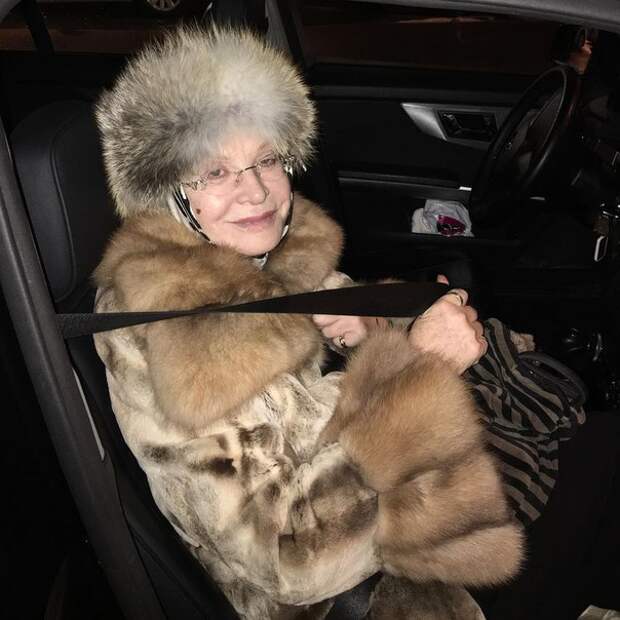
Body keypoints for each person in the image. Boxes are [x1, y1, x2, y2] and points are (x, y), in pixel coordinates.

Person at [93, 25, 525, 619]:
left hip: (403, 528)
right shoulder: (173, 332)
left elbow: (334, 329)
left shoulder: (269, 256)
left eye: (266, 160)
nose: (256, 192)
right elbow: (289, 561)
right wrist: (417, 370)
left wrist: (372, 331)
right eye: (214, 173)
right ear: (166, 194)